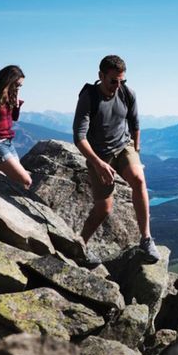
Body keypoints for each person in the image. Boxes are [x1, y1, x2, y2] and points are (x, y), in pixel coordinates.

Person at [73, 55, 160, 263]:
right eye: (113, 80)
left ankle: (146, 239)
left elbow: (135, 124)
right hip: (100, 155)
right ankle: (79, 246)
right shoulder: (89, 97)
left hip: (123, 147)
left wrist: (136, 152)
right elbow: (79, 137)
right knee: (104, 207)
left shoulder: (127, 93)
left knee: (139, 180)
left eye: (122, 80)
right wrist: (98, 163)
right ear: (100, 76)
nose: (118, 85)